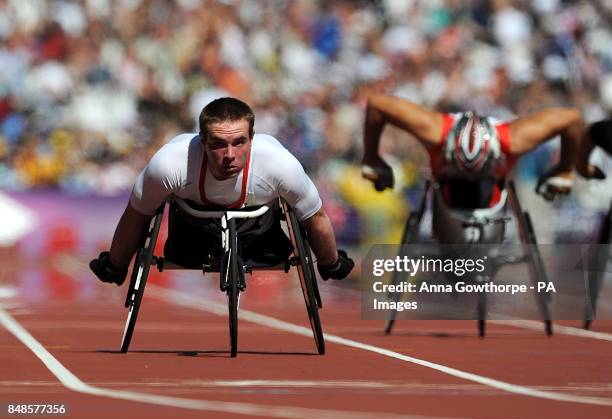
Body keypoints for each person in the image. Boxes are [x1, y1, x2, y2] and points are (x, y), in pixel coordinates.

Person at [90, 97, 354, 285]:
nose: (229, 155)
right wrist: (116, 265)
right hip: (192, 241)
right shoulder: (170, 163)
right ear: (201, 142)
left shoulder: (279, 163)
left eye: (239, 143)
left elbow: (315, 217)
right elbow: (137, 215)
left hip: (261, 241)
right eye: (218, 144)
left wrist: (330, 264)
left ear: (253, 139)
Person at [360, 95, 590, 243]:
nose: (469, 178)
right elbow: (376, 104)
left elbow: (572, 119)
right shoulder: (435, 132)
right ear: (448, 151)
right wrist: (372, 158)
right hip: (447, 198)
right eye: (462, 172)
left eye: (477, 174)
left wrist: (567, 168)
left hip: (489, 200)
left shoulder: (513, 139)